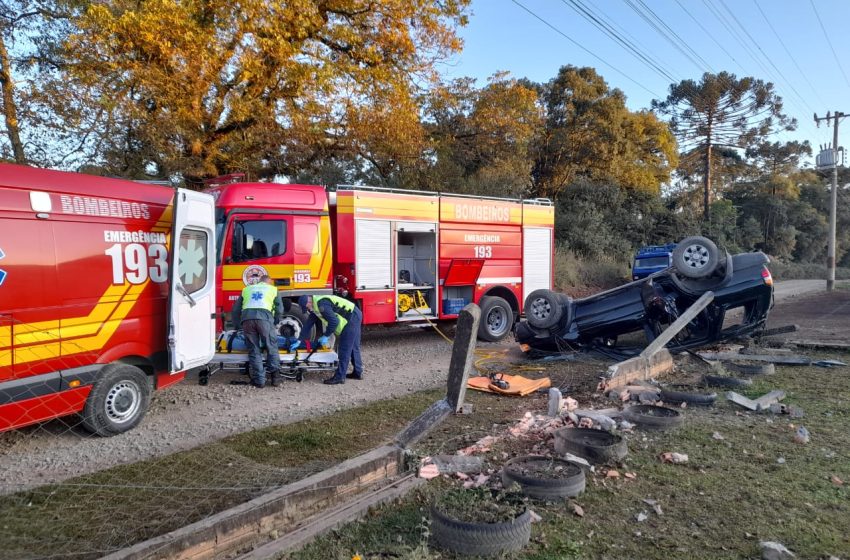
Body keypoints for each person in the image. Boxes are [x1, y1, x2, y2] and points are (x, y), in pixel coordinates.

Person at [293, 294, 363, 385]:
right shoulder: (315, 306)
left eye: (307, 308)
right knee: (354, 346)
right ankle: (357, 372)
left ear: (309, 302)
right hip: (355, 313)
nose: (308, 310)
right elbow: (308, 325)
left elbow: (334, 322)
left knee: (344, 348)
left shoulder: (322, 304)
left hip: (352, 317)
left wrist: (326, 336)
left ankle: (340, 377)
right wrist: (299, 340)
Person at [231, 275, 285, 388]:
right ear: (269, 282)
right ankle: (275, 378)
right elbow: (280, 310)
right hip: (265, 319)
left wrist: (237, 326)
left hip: (247, 320)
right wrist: (274, 322)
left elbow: (235, 310)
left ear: (259, 281)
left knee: (254, 349)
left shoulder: (247, 289)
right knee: (271, 347)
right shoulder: (273, 289)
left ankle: (259, 381)